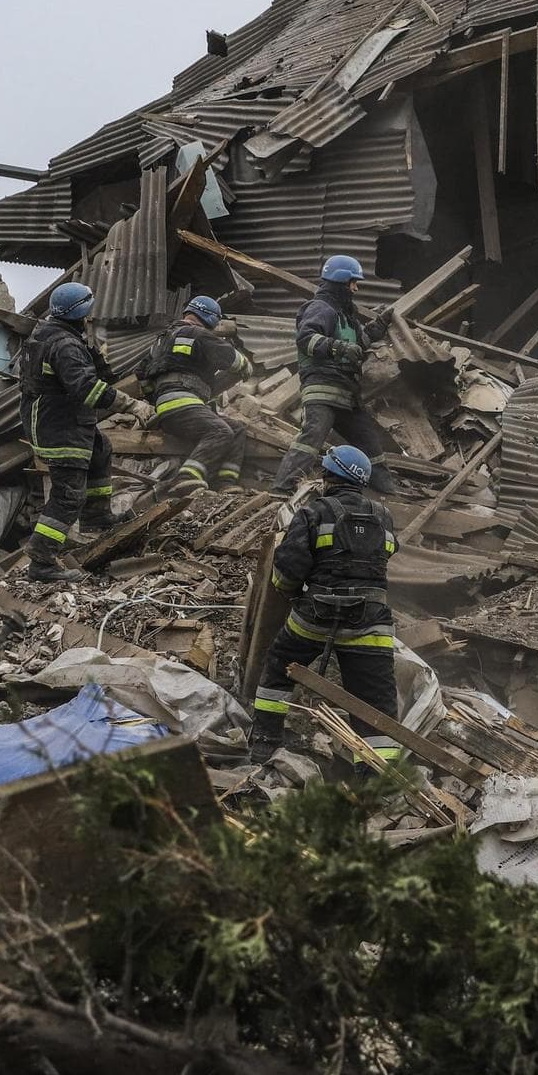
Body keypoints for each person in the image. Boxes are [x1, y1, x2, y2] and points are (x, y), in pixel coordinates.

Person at [250, 445, 400, 759]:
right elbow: (390, 551)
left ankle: (264, 744)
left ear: (328, 476)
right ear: (362, 482)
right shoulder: (383, 516)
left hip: (314, 618)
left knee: (279, 665)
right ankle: (379, 779)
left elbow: (288, 570)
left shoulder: (313, 512)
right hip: (371, 627)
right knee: (377, 703)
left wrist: (292, 595)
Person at [18, 281, 155, 583]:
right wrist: (132, 405)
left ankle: (96, 516)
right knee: (68, 495)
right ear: (81, 312)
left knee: (100, 449)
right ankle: (41, 561)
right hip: (59, 426)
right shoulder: (64, 345)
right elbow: (87, 390)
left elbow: (97, 373)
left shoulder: (53, 336)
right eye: (89, 313)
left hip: (59, 421)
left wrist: (98, 357)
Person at [269, 255, 396, 494]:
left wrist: (377, 327)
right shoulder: (320, 308)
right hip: (322, 389)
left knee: (370, 443)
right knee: (312, 439)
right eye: (353, 283)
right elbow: (306, 339)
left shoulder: (346, 317)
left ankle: (389, 493)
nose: (356, 289)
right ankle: (280, 490)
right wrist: (339, 348)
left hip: (347, 395)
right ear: (340, 281)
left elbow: (358, 344)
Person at [140, 294, 252, 492]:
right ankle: (185, 477)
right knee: (219, 431)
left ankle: (225, 483)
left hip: (166, 409)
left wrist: (154, 398)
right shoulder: (199, 335)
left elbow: (141, 374)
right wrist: (246, 365)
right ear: (210, 319)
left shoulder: (158, 342)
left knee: (237, 429)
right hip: (184, 404)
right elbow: (234, 361)